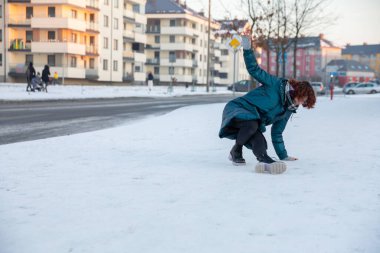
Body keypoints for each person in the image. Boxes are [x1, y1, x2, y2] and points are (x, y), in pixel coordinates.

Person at [218, 29, 316, 174]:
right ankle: (236, 151)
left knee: (260, 141)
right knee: (252, 124)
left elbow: (277, 133)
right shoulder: (276, 84)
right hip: (238, 108)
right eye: (303, 99)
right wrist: (247, 48)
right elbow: (254, 70)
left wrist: (284, 155)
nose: (300, 103)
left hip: (252, 122)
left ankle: (265, 161)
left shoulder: (288, 109)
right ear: (298, 91)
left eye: (304, 103)